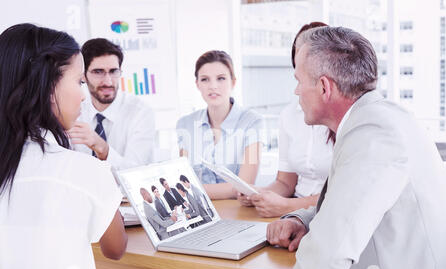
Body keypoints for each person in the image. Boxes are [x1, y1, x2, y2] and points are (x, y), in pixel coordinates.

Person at [267, 26, 446, 269]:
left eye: (299, 80)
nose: (296, 91)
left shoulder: (374, 133)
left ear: (324, 87)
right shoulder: (380, 118)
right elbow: (354, 203)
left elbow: (329, 251)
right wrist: (305, 219)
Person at [0, 24, 128, 269]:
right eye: (79, 81)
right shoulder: (85, 171)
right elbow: (115, 248)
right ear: (46, 86)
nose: (84, 94)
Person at [238, 22, 333, 218]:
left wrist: (287, 206)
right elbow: (285, 183)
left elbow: (342, 196)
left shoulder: (341, 117)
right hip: (295, 213)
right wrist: (260, 194)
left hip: (326, 213)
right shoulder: (289, 115)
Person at [176, 50, 263, 200]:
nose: (213, 86)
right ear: (197, 84)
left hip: (238, 212)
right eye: (205, 79)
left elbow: (244, 187)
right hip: (200, 213)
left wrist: (191, 189)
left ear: (233, 82)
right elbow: (184, 180)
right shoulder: (185, 124)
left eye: (221, 78)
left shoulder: (251, 122)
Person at [68, 38, 156, 170]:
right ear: (83, 76)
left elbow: (136, 173)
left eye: (113, 71)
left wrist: (102, 149)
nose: (108, 81)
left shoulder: (141, 112)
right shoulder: (72, 108)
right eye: (98, 72)